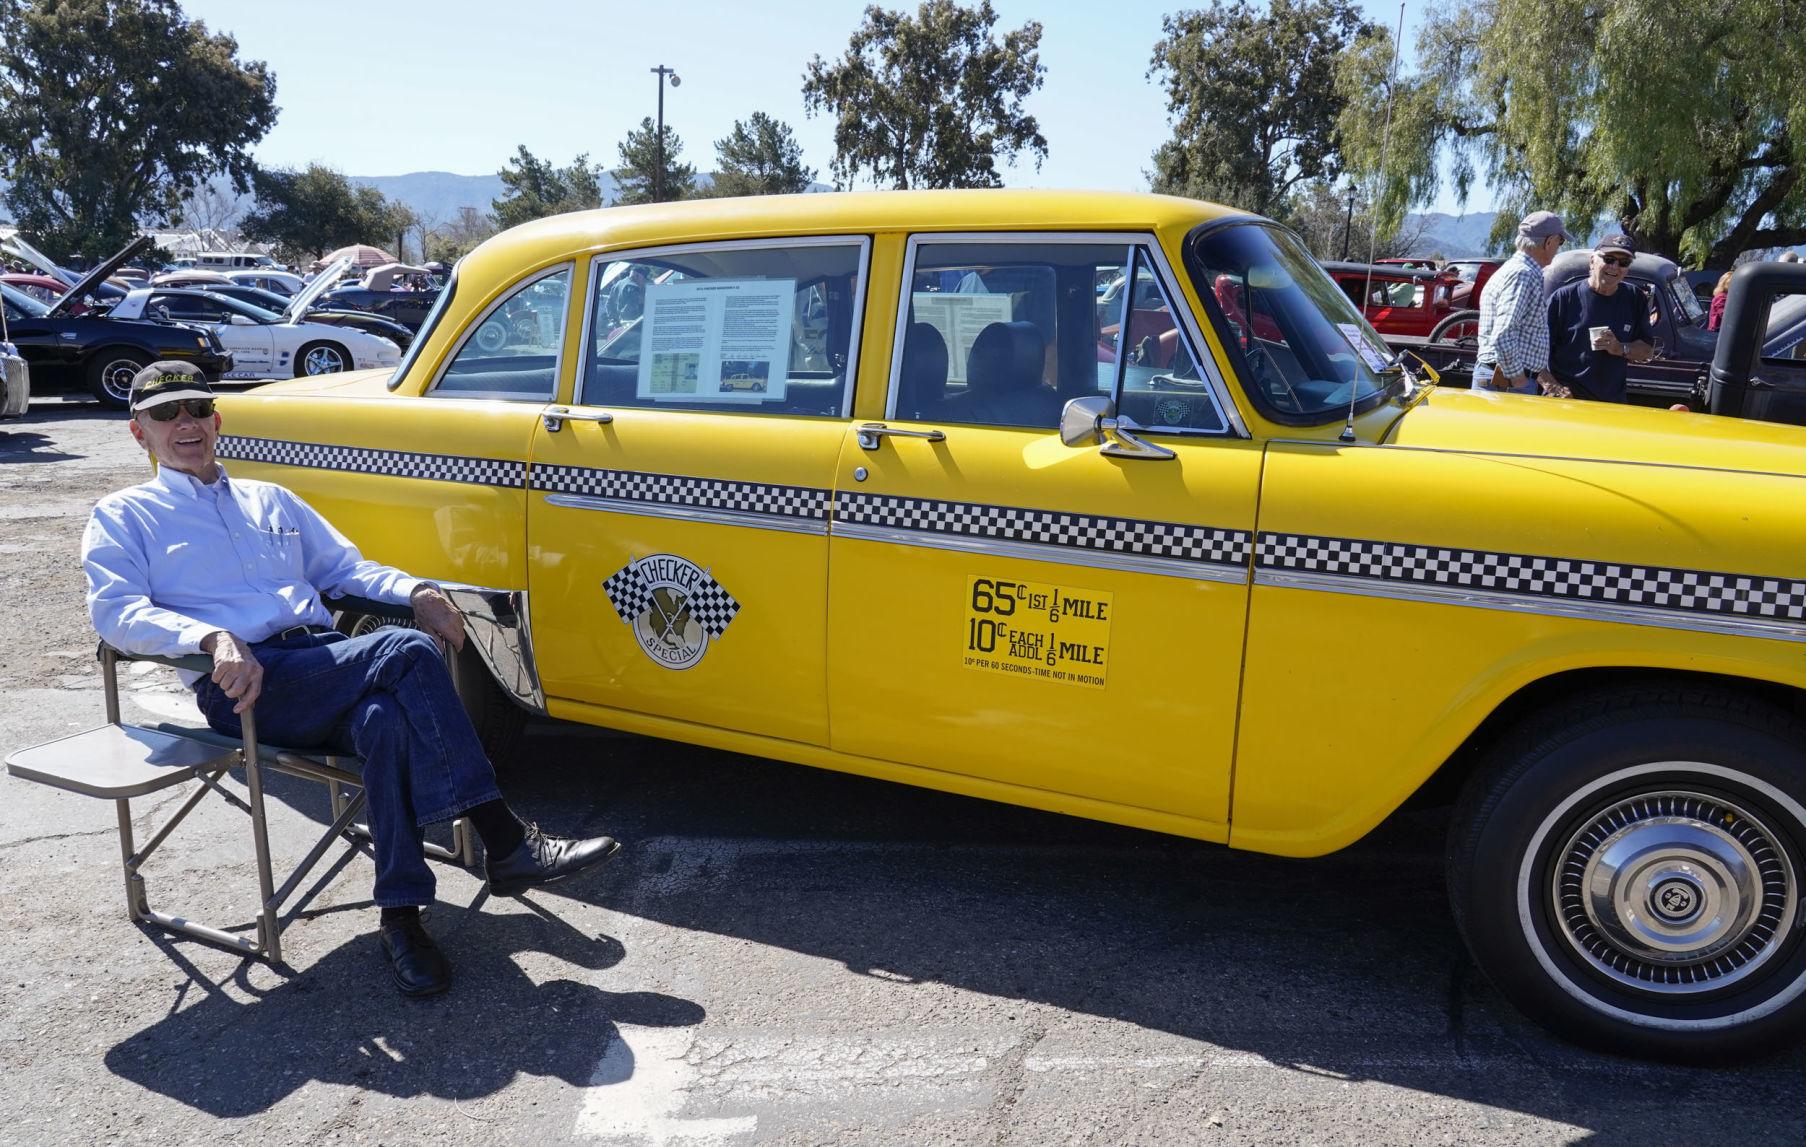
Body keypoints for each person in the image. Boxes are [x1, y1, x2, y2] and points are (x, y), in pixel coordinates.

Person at [81, 364, 622, 998]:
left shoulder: (270, 499)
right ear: (138, 433)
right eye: (166, 414)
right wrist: (207, 638)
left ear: (217, 420)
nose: (186, 424)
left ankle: (402, 918)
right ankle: (503, 837)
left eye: (197, 408)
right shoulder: (126, 514)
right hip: (249, 686)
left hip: (324, 662)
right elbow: (115, 613)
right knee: (406, 650)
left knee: (383, 723)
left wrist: (417, 590)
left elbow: (347, 569)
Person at [1545, 235, 1656, 403]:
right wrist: (1554, 388)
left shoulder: (1634, 298)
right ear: (1592, 261)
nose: (1615, 267)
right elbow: (1534, 354)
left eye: (1623, 263)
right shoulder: (1563, 299)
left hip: (1611, 405)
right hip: (1567, 402)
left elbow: (1647, 351)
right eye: (1609, 259)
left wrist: (1620, 348)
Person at [1474, 210, 1569, 396]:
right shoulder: (1523, 274)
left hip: (1501, 377)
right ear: (1549, 242)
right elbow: (1503, 334)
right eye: (1560, 241)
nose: (1559, 247)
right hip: (1507, 382)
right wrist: (1519, 381)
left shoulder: (1514, 269)